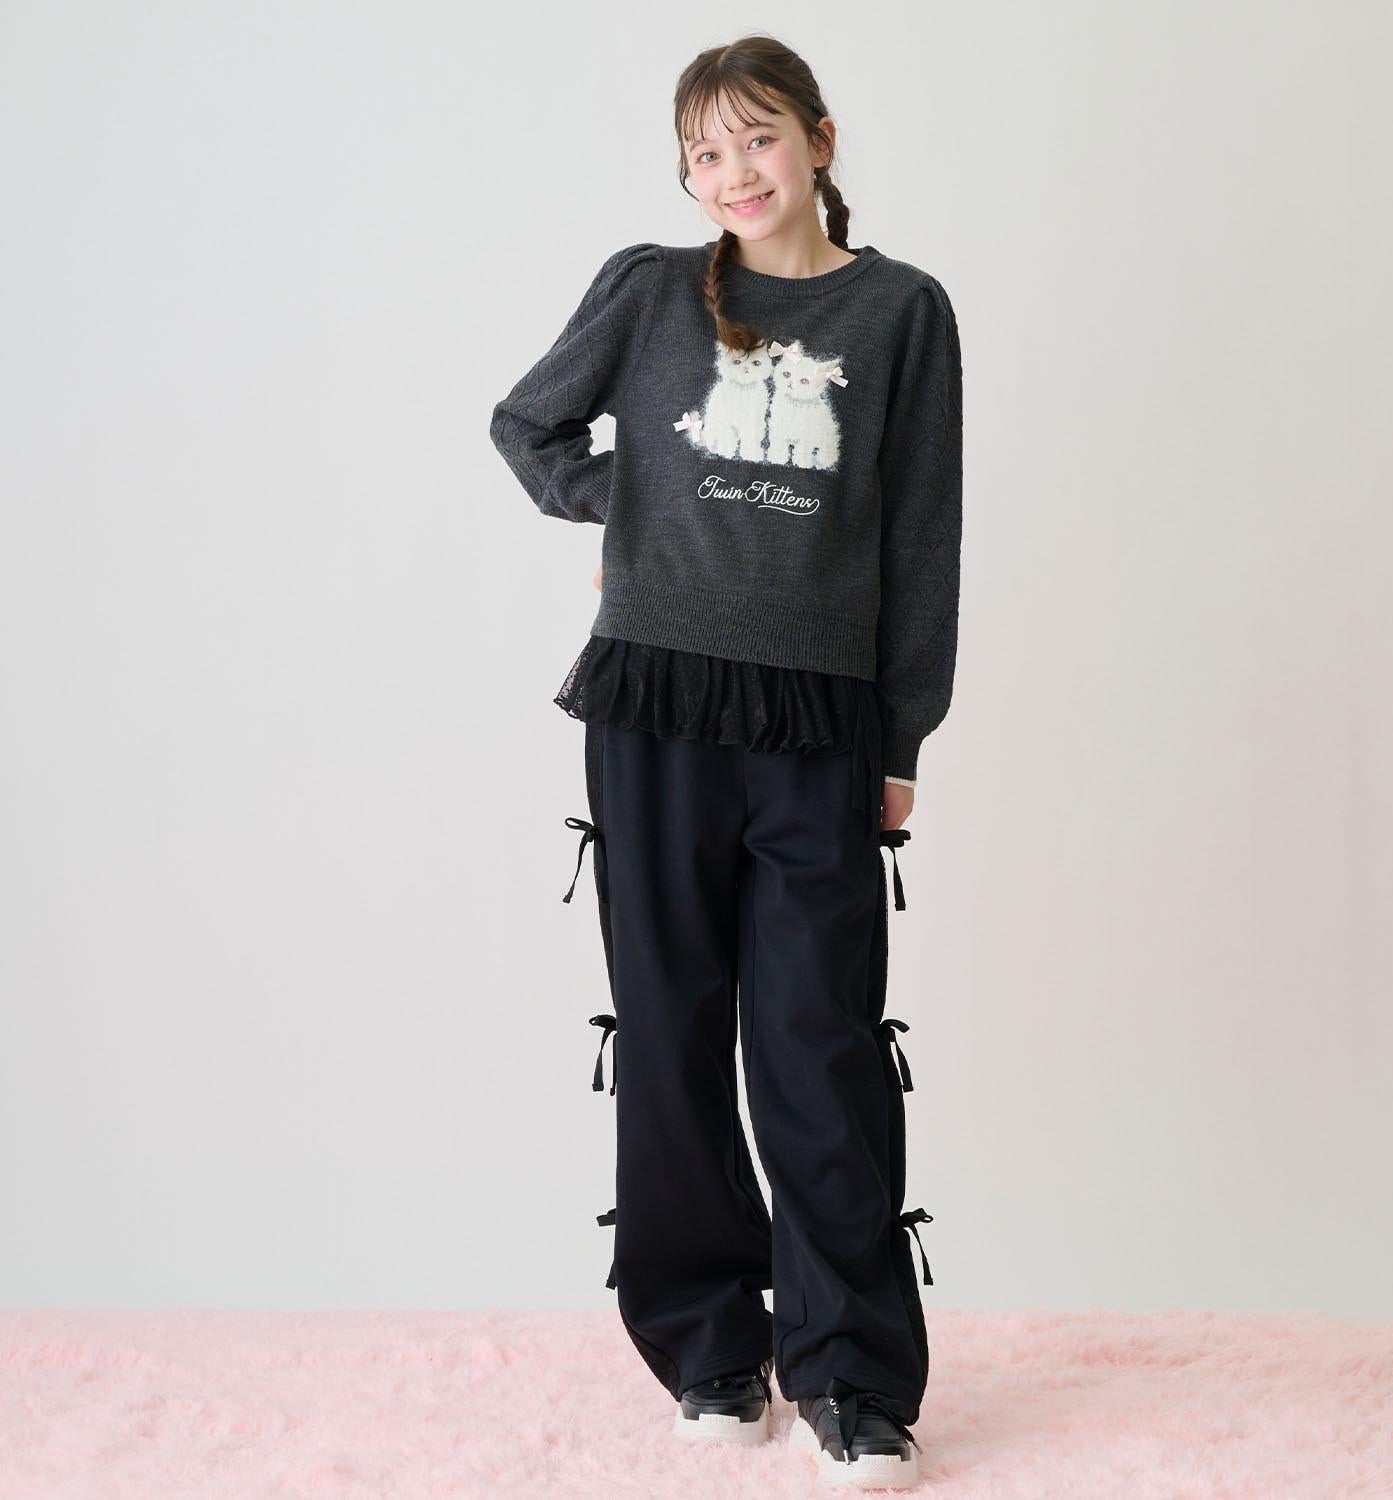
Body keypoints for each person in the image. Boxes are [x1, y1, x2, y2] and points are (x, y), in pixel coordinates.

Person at [489, 33, 962, 1492]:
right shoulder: (649, 289)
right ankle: (708, 1345)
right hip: (655, 704)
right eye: (704, 152)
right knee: (670, 1028)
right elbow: (527, 425)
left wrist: (902, 737)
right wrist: (637, 511)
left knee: (819, 1041)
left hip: (820, 720)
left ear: (819, 137)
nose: (733, 173)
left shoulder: (901, 312)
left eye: (757, 138)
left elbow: (920, 536)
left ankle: (853, 1376)